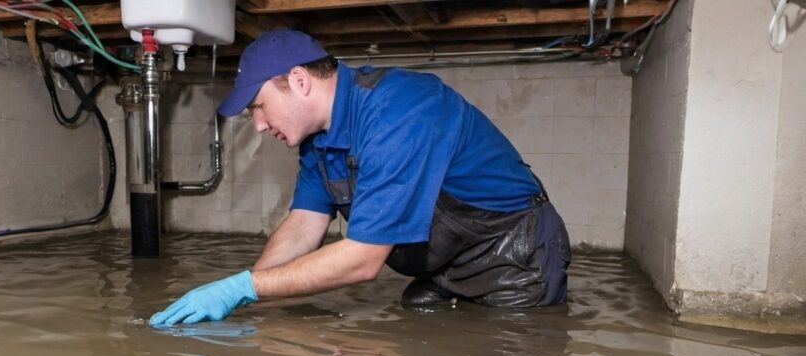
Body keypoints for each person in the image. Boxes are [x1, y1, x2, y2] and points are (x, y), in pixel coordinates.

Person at [149, 29, 571, 327]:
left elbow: (364, 259)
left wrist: (246, 289)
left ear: (298, 81)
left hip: (512, 257)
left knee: (505, 352)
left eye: (259, 106)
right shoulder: (317, 142)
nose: (259, 125)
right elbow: (302, 226)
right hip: (444, 268)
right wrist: (244, 298)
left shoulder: (400, 109)